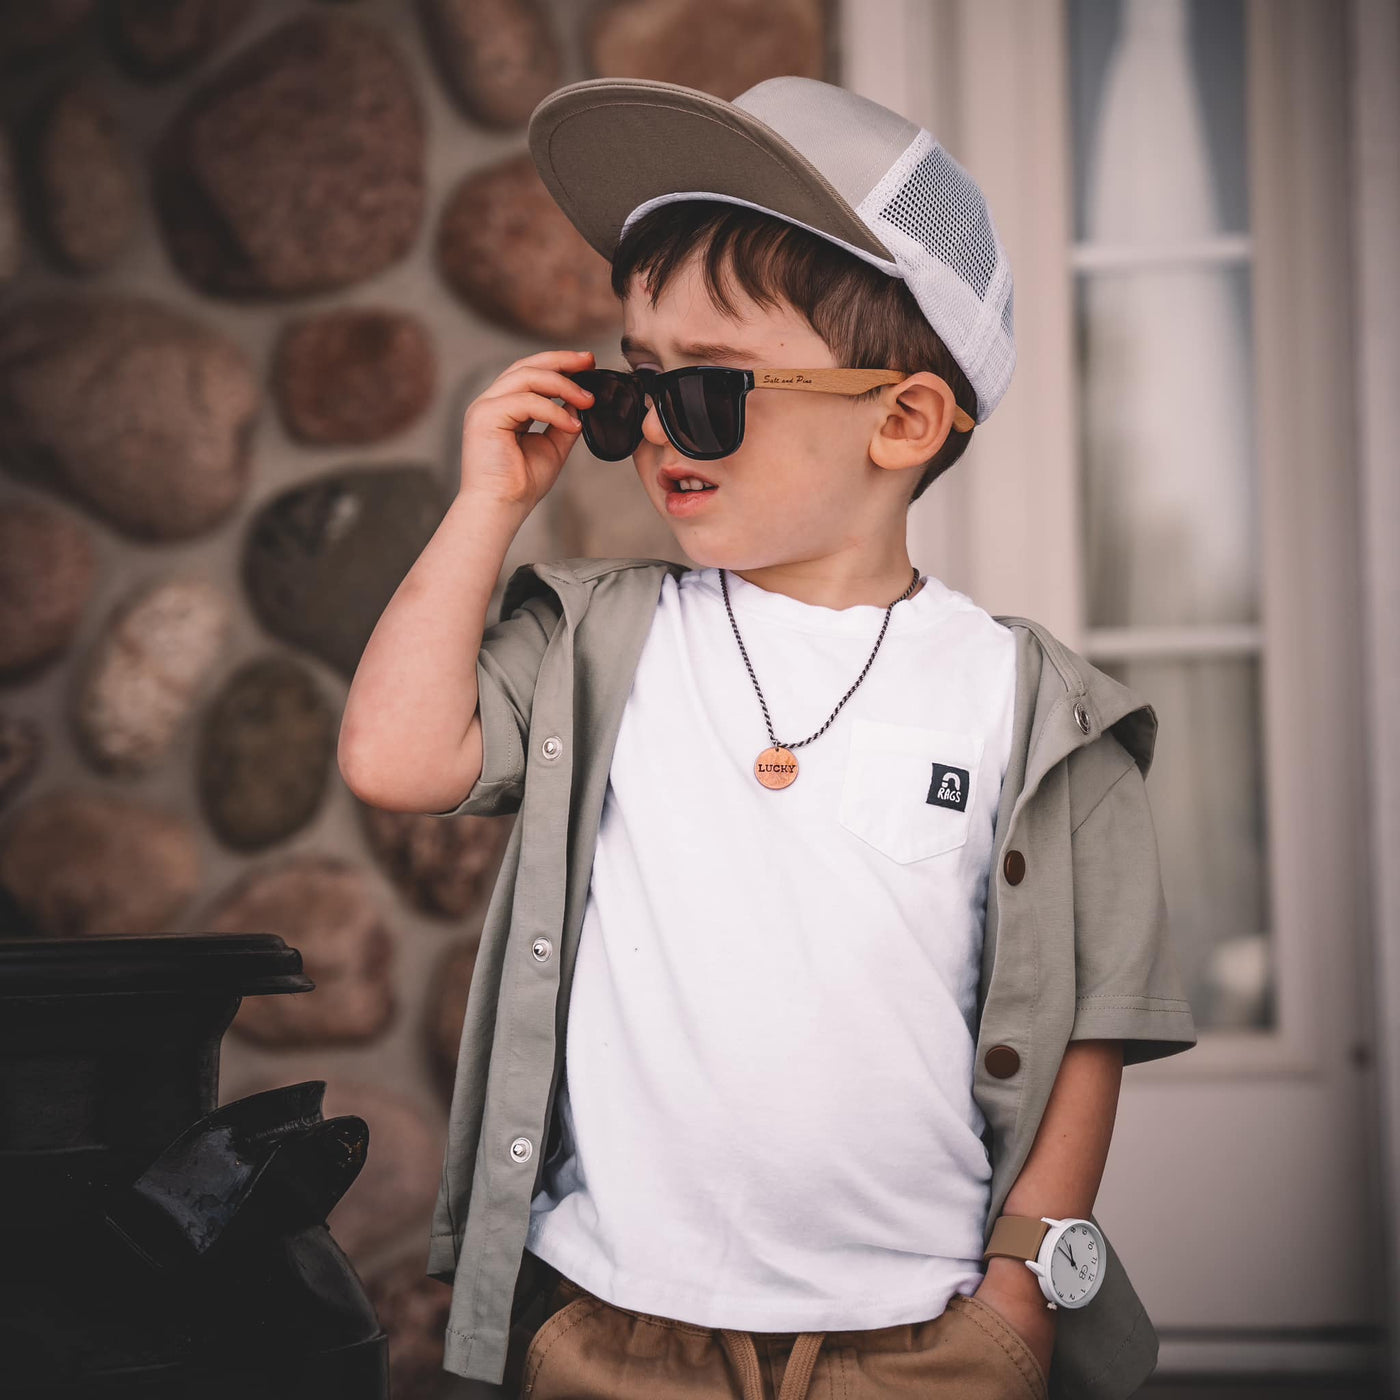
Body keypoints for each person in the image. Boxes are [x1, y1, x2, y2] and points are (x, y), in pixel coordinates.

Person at [338, 74, 1198, 1400]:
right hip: (617, 1322)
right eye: (639, 389)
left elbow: (1094, 1020)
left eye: (713, 391)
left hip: (921, 1333)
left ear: (902, 420)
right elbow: (396, 758)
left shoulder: (1039, 712)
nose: (656, 432)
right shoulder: (597, 641)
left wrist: (1022, 1288)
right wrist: (483, 508)